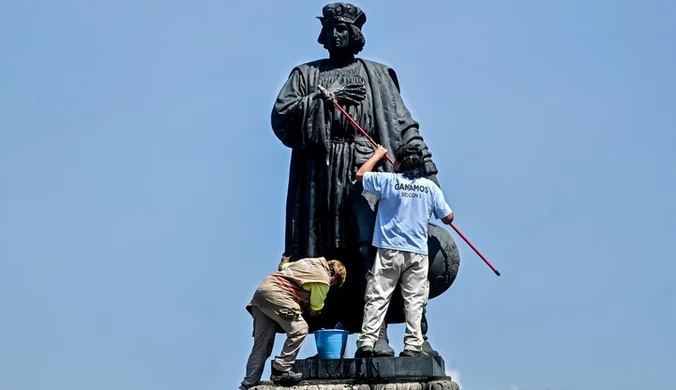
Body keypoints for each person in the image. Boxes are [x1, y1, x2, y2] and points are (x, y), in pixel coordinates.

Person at [272, 2, 446, 354]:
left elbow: (403, 125)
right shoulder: (305, 74)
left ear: (356, 34)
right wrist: (326, 99)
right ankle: (331, 333)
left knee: (374, 253)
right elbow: (282, 116)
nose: (337, 34)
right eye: (331, 28)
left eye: (344, 28)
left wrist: (425, 167)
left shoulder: (379, 75)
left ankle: (380, 332)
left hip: (371, 175)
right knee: (329, 254)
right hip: (321, 175)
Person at [354, 144, 454, 357]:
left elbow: (361, 175)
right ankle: (412, 346)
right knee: (415, 301)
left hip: (389, 250)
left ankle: (367, 343)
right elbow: (448, 217)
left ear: (397, 163)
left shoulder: (389, 182)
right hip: (417, 253)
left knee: (378, 297)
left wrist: (378, 155)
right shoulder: (429, 188)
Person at [240, 256, 347, 389]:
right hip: (279, 295)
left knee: (261, 345)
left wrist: (284, 261)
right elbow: (316, 308)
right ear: (335, 277)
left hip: (262, 293)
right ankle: (282, 368)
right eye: (335, 284)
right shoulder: (323, 280)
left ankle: (248, 383)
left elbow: (283, 267)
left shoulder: (308, 262)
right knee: (300, 329)